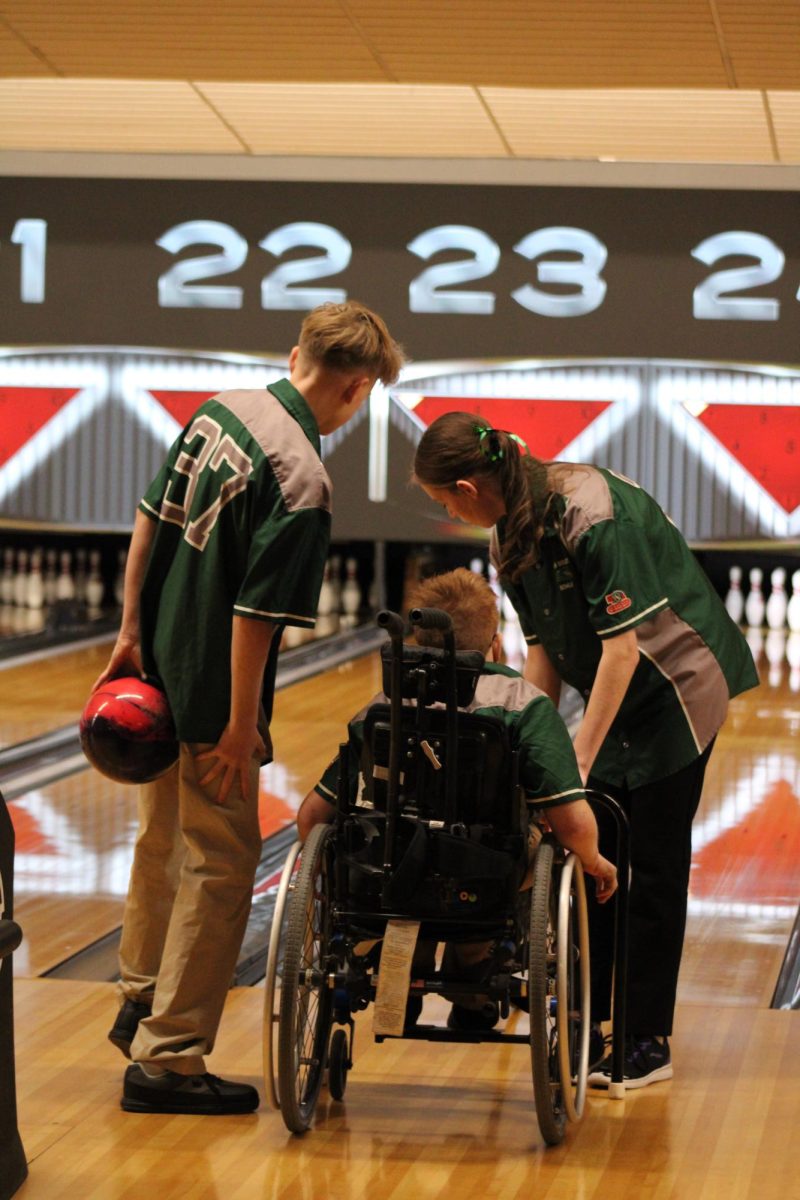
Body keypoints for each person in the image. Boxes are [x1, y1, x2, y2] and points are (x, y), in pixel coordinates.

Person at [95, 300, 404, 1115]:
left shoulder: (220, 411)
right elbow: (254, 619)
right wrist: (239, 724)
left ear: (294, 351)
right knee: (224, 866)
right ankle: (168, 1059)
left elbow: (146, 522)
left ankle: (141, 994)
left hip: (154, 673)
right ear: (360, 388)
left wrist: (130, 632)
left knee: (163, 839)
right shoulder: (303, 478)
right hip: (205, 696)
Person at [412, 412, 758, 1087]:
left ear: (466, 485)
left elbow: (624, 649)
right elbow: (541, 651)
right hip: (612, 689)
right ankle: (591, 1017)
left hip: (674, 692)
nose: (446, 511)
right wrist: (528, 736)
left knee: (650, 865)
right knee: (594, 853)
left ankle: (643, 1040)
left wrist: (572, 765)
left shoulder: (592, 515)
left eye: (443, 501)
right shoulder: (507, 534)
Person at [297, 567, 618, 1031]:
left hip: (385, 878)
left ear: (413, 641)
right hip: (483, 881)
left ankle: (400, 962)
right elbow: (571, 822)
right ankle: (471, 982)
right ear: (495, 646)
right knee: (509, 854)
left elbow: (312, 817)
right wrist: (593, 859)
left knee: (401, 854)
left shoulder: (380, 710)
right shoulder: (522, 705)